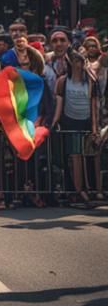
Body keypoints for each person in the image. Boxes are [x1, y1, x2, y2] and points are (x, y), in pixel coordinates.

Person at [53, 47, 98, 207]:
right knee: (74, 157)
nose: (78, 64)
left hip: (85, 122)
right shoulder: (63, 81)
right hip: (70, 122)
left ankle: (92, 189)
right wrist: (55, 122)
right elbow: (59, 104)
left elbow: (94, 106)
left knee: (89, 158)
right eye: (76, 61)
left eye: (81, 61)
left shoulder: (90, 81)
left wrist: (94, 128)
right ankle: (79, 192)